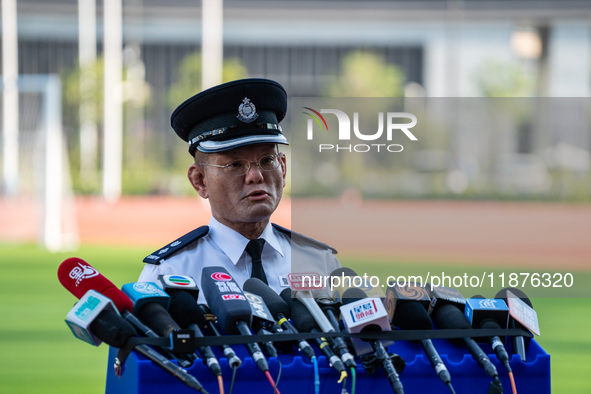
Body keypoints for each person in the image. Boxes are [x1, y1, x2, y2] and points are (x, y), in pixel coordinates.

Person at [138, 78, 340, 303]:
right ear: (200, 180)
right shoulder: (171, 271)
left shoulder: (318, 262)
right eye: (234, 164)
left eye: (267, 160)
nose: (256, 176)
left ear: (282, 168)